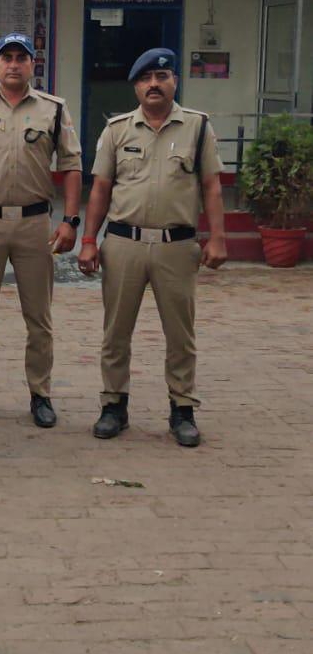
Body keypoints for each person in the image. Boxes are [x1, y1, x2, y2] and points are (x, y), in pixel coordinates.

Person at [77, 48, 227, 447]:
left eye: (161, 76)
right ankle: (113, 405)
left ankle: (182, 409)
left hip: (176, 246)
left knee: (180, 334)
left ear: (175, 80)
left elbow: (211, 187)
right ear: (136, 87)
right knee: (115, 331)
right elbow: (101, 189)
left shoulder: (197, 127)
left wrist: (218, 237)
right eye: (145, 79)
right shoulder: (117, 130)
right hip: (123, 244)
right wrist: (89, 241)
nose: (154, 84)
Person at [0, 33, 83, 427]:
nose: (13, 64)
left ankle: (40, 394)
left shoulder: (53, 110)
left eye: (21, 58)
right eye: (6, 57)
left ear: (32, 65)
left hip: (34, 224)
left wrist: (70, 221)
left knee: (38, 316)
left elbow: (71, 166)